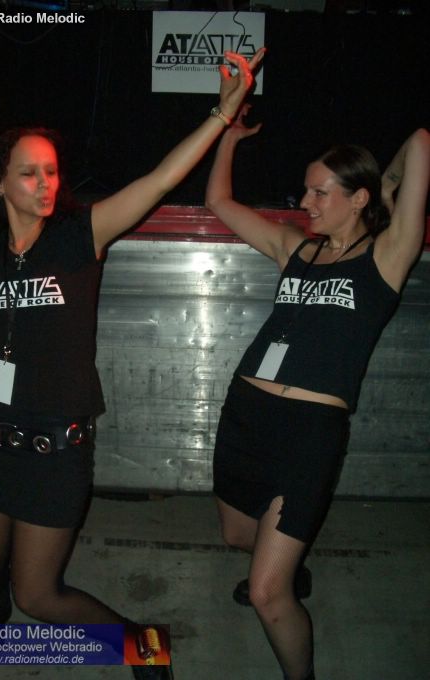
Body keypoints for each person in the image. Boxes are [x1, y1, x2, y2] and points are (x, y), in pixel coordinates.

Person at [0, 48, 265, 679]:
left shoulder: (81, 238)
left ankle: (143, 646)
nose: (46, 184)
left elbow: (158, 181)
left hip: (55, 448)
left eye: (51, 172)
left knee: (39, 595)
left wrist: (221, 113)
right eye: (29, 173)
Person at [205, 106, 429, 680]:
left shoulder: (387, 256)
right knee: (235, 533)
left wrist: (388, 185)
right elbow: (220, 203)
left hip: (309, 433)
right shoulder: (296, 250)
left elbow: (421, 139)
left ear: (359, 199)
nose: (304, 202)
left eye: (319, 192)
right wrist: (228, 138)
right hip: (245, 414)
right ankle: (287, 563)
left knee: (265, 593)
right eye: (306, 190)